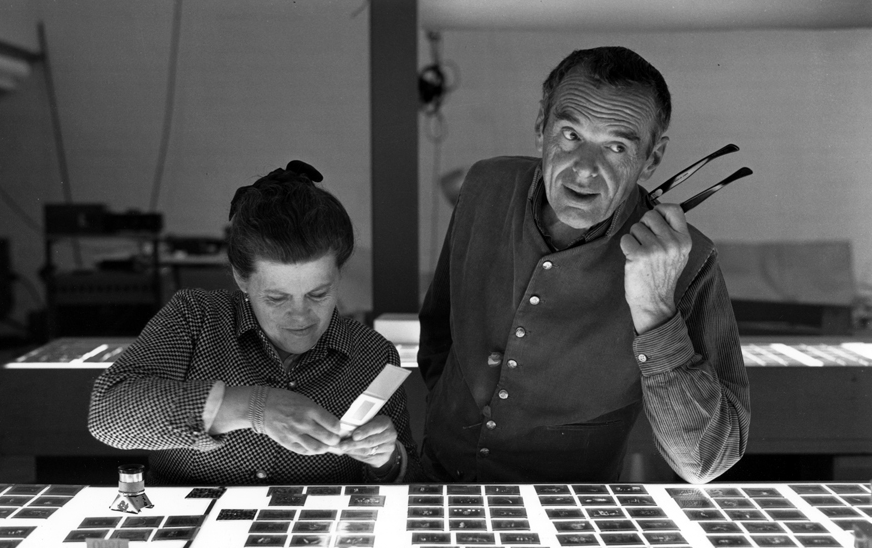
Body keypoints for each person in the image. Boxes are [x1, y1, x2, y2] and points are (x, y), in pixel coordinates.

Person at [418, 46, 750, 484]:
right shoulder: (484, 185)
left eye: (615, 147)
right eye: (571, 135)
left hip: (569, 515)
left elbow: (706, 462)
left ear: (651, 159)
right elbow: (440, 331)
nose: (585, 169)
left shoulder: (692, 262)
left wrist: (655, 313)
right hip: (435, 486)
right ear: (541, 127)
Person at [89, 161, 421, 485]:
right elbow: (108, 413)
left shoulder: (374, 356)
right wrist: (254, 406)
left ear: (339, 274)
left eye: (319, 294)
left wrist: (385, 459)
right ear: (241, 277)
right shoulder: (196, 318)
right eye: (277, 298)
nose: (300, 315)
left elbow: (406, 478)